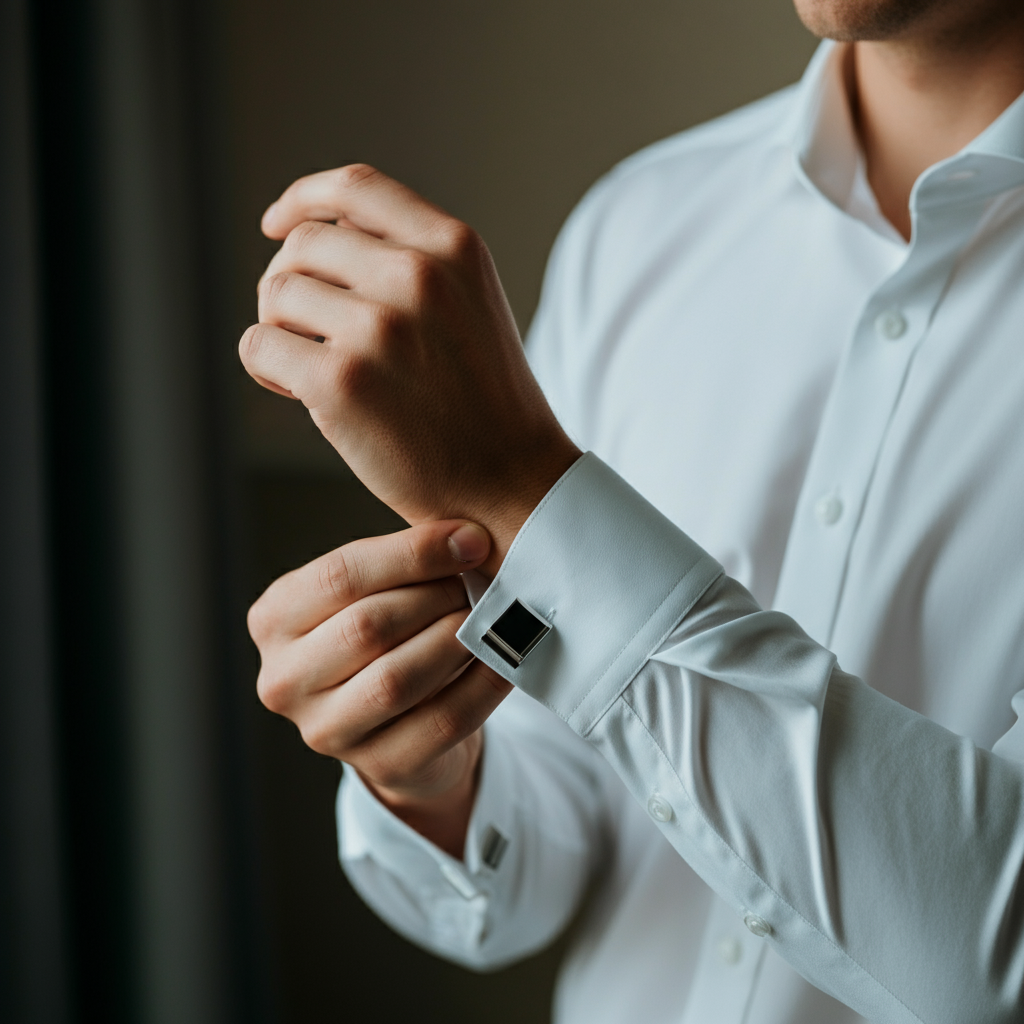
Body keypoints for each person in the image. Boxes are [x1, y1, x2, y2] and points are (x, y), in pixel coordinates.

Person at [240, 0, 1024, 1020]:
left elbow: (997, 960)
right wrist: (435, 775)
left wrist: (527, 488)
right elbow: (558, 838)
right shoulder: (641, 224)